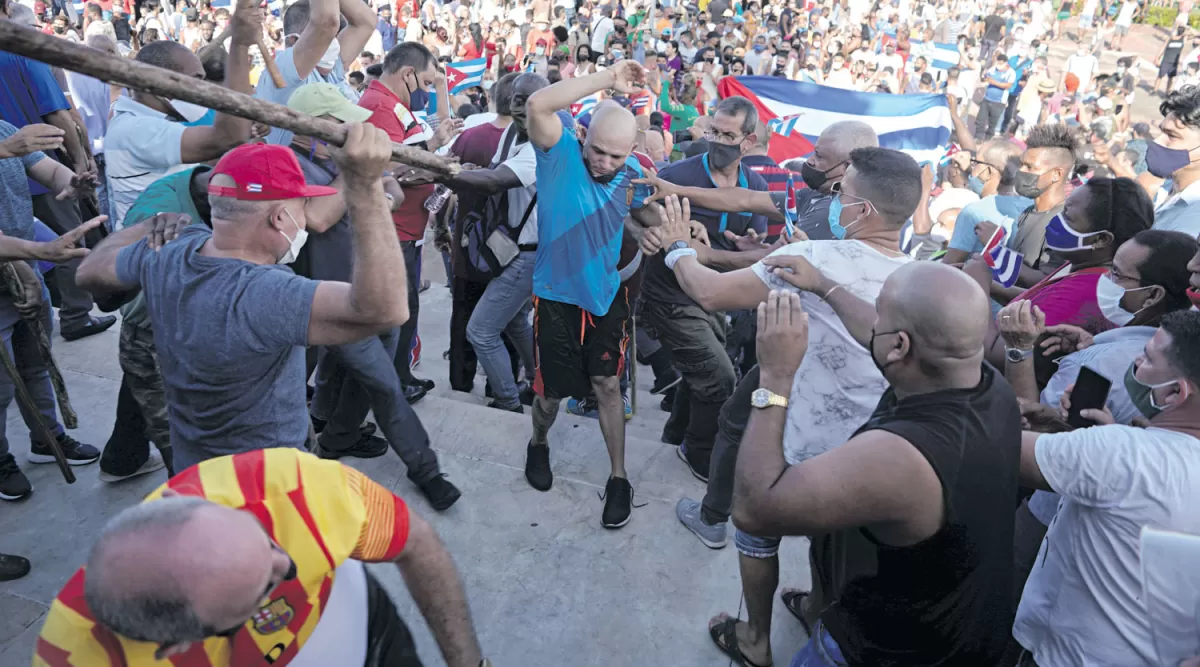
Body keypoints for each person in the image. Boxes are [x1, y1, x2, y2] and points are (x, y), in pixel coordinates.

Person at [652, 147, 921, 666]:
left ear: (862, 210)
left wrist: (677, 249)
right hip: (867, 455)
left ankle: (755, 638)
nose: (834, 202)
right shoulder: (915, 279)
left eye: (843, 195)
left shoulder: (819, 259)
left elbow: (709, 293)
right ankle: (817, 606)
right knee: (831, 536)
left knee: (756, 528)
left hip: (794, 444)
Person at [730, 262, 1019, 666]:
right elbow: (880, 334)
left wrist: (775, 376)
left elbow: (753, 508)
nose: (873, 320)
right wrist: (824, 285)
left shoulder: (901, 458)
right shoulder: (984, 384)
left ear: (900, 346)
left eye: (881, 311)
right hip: (948, 618)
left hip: (879, 647)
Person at [76, 127, 408, 474]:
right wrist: (368, 187)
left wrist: (146, 228)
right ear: (280, 217)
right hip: (266, 483)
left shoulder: (170, 251)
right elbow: (384, 310)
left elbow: (89, 270)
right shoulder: (267, 292)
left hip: (197, 469)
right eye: (302, 205)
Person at [34, 448, 485, 667]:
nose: (289, 566)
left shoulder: (288, 485)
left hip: (372, 640)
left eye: (265, 539)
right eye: (264, 591)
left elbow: (418, 545)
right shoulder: (76, 658)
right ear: (173, 646)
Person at [285, 84, 459, 510]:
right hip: (319, 308)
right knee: (384, 387)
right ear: (318, 127)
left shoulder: (329, 162)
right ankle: (426, 471)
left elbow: (391, 193)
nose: (352, 131)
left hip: (357, 297)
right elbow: (319, 219)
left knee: (356, 381)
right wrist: (360, 177)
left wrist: (378, 187)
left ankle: (336, 438)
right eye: (342, 123)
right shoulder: (289, 166)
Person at [1013, 309, 1200, 666]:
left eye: (1146, 358)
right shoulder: (1126, 451)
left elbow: (996, 448)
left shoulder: (1122, 452)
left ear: (1175, 392)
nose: (1135, 361)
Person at [521, 62, 659, 528]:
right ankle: (538, 443)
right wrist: (607, 81)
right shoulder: (558, 154)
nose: (605, 163)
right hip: (556, 298)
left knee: (607, 386)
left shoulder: (631, 171)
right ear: (583, 137)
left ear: (632, 152)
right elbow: (538, 103)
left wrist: (667, 233)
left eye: (617, 157)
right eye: (598, 152)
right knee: (551, 394)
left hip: (607, 297)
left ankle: (619, 478)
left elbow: (644, 214)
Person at [640, 96, 768, 481]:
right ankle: (698, 451)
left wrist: (750, 247)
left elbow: (751, 244)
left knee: (704, 371)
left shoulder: (756, 186)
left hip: (716, 298)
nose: (716, 140)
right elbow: (639, 209)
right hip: (671, 297)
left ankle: (675, 433)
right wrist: (651, 230)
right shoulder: (678, 174)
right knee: (720, 377)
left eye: (728, 135)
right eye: (713, 130)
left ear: (748, 141)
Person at [0, 121, 108, 501]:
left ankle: (47, 438)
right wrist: (35, 255)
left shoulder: (2, 128)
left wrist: (72, 182)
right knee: (0, 386)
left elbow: (47, 169)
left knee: (36, 363)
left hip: (23, 266)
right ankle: (1, 462)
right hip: (15, 265)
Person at [0, 0, 112, 342]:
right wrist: (80, 159)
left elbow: (49, 165)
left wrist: (70, 175)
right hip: (32, 175)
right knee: (65, 246)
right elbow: (60, 113)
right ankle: (76, 315)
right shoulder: (21, 54)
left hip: (33, 172)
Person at [435, 73, 547, 413]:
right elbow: (495, 167)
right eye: (517, 100)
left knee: (480, 331)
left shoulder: (539, 146)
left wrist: (444, 174)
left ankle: (508, 399)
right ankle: (539, 383)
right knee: (513, 322)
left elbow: (497, 179)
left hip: (527, 255)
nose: (523, 109)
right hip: (515, 249)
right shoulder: (513, 134)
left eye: (531, 103)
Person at [358, 42, 460, 393]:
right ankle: (393, 386)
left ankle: (400, 378)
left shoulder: (393, 104)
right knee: (397, 312)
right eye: (427, 83)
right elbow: (388, 168)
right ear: (407, 75)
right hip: (393, 229)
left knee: (406, 308)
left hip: (406, 229)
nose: (429, 91)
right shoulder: (379, 105)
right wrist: (431, 153)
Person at [975, 177, 1155, 366]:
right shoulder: (1083, 264)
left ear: (1101, 239)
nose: (1056, 220)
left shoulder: (1085, 291)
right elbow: (1038, 303)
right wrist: (990, 285)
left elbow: (996, 354)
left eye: (1068, 217)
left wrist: (976, 287)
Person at [254, 0, 376, 145]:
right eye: (326, 39)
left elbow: (366, 22)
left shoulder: (330, 68)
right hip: (297, 165)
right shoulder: (284, 68)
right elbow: (326, 22)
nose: (332, 44)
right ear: (293, 40)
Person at [941, 139, 1030, 264]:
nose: (971, 169)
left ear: (988, 172)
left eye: (975, 163)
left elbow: (949, 266)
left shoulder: (974, 212)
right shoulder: (1032, 206)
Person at [1150, 85, 1200, 235]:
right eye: (1162, 131)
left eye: (1172, 136)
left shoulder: (1194, 222)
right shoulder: (1164, 188)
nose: (1157, 142)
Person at [976, 53, 1016, 140]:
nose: (999, 65)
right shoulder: (993, 69)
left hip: (999, 102)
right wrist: (984, 76)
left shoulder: (1011, 72)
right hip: (987, 99)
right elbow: (985, 78)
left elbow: (1008, 85)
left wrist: (993, 82)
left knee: (992, 123)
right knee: (980, 119)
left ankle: (987, 139)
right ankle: (977, 137)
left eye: (1001, 63)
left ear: (1006, 63)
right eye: (998, 63)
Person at [1156, 27, 1188, 96]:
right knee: (1160, 76)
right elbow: (1163, 48)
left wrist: (1186, 31)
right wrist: (1157, 57)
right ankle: (1155, 90)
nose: (1180, 31)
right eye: (1179, 29)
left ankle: (1167, 92)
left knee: (1171, 77)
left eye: (1182, 30)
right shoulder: (1170, 38)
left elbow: (1193, 34)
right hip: (1166, 60)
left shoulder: (1183, 39)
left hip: (1174, 62)